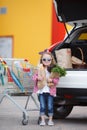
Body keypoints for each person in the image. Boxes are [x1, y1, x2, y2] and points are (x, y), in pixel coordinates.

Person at [33, 50, 59, 126]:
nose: (46, 61)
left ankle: (50, 120)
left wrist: (52, 80)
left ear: (51, 60)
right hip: (41, 90)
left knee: (50, 106)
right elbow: (34, 77)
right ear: (41, 60)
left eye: (48, 59)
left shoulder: (54, 69)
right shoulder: (39, 68)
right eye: (44, 59)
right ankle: (43, 120)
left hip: (50, 91)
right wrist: (38, 78)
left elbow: (57, 80)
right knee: (42, 106)